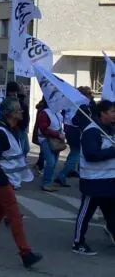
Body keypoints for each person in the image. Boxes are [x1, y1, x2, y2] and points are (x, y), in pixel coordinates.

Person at [0, 97, 42, 269]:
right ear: (9, 113)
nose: (22, 111)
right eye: (18, 109)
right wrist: (3, 179)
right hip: (2, 181)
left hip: (6, 180)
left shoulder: (9, 128)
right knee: (15, 216)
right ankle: (25, 253)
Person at [71, 100, 115, 255]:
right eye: (112, 111)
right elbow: (91, 155)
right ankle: (78, 242)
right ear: (102, 113)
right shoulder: (92, 132)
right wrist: (112, 151)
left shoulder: (109, 130)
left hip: (110, 180)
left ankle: (111, 230)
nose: (114, 114)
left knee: (111, 212)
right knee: (86, 212)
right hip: (94, 181)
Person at [36, 98, 65, 192]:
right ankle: (46, 183)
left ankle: (47, 180)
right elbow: (43, 129)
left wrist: (61, 133)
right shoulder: (44, 113)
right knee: (51, 161)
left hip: (55, 139)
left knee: (54, 161)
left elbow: (59, 125)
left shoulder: (57, 112)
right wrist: (58, 134)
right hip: (46, 139)